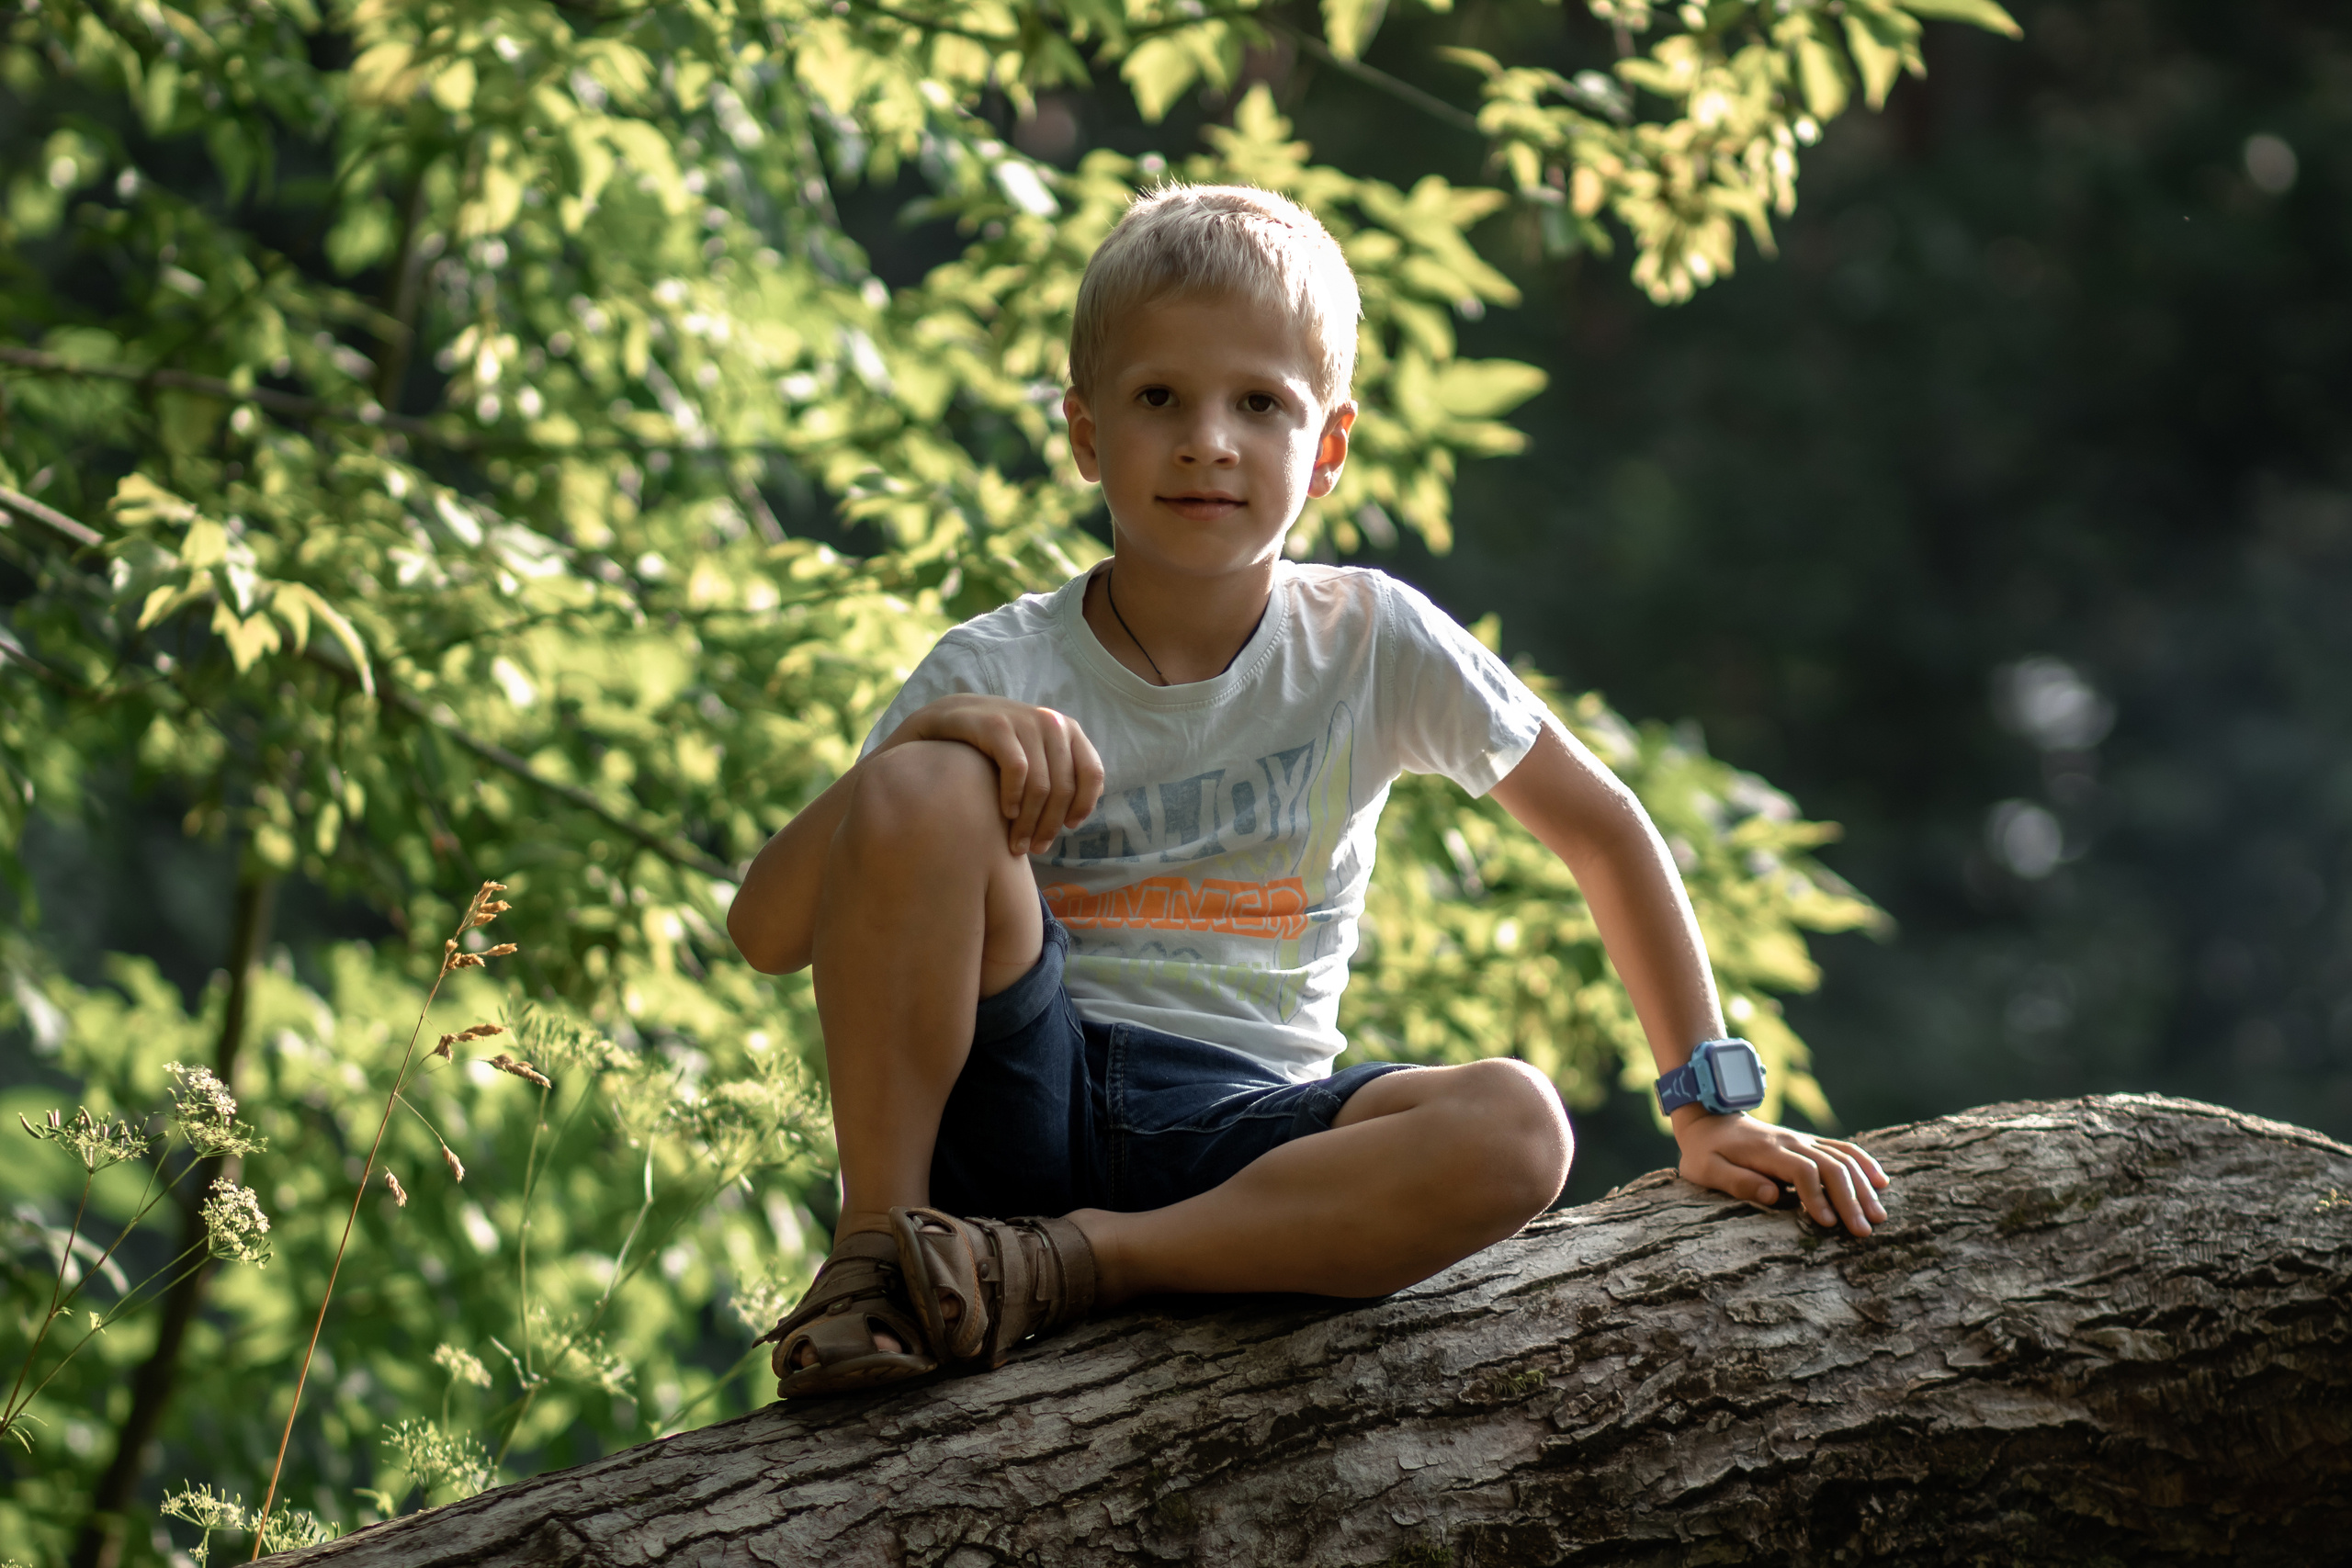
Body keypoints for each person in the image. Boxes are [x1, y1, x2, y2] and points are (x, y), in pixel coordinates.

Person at [726, 183, 1891, 1397]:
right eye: (1158, 398)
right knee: (923, 782)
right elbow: (766, 930)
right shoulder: (999, 667)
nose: (1206, 440)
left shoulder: (1370, 638)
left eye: (1260, 404)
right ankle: (880, 1261)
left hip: (1245, 1130)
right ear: (1085, 435)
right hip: (1018, 1088)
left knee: (1518, 1127)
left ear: (1328, 447)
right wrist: (927, 737)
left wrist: (1709, 1112)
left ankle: (1078, 1267)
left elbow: (1605, 830)